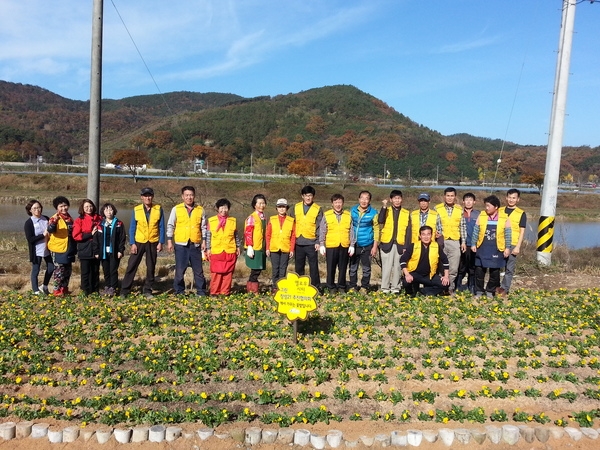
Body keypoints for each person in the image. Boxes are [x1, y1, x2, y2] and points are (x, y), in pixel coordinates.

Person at [121, 187, 165, 298]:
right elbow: (132, 227)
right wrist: (132, 243)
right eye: (145, 196)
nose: (147, 198)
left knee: (151, 267)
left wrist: (161, 242)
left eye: (149, 195)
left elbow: (162, 227)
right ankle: (125, 290)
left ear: (152, 196)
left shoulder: (158, 209)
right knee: (132, 265)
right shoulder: (136, 209)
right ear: (142, 197)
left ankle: (148, 290)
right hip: (139, 241)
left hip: (153, 241)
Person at [167, 186, 207, 296]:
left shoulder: (200, 210)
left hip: (195, 244)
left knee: (198, 271)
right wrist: (169, 240)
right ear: (182, 196)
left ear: (194, 196)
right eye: (187, 195)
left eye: (191, 195)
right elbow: (170, 225)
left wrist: (204, 241)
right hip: (181, 245)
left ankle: (201, 291)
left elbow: (204, 227)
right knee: (180, 270)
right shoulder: (176, 209)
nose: (189, 197)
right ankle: (179, 291)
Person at [471, 195, 512, 298]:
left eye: (489, 206)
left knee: (494, 272)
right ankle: (479, 291)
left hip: (497, 248)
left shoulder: (504, 218)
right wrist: (473, 244)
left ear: (496, 207)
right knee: (479, 271)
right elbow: (476, 231)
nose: (487, 208)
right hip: (482, 247)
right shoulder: (482, 216)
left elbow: (508, 234)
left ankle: (490, 290)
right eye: (486, 206)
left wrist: (507, 248)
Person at [318, 194, 355, 294]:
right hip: (331, 245)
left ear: (343, 203)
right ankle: (331, 287)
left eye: (340, 202)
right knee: (331, 267)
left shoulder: (348, 215)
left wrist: (352, 244)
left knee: (343, 268)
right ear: (332, 203)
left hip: (344, 245)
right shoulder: (327, 215)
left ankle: (342, 286)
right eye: (336, 202)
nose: (338, 204)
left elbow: (351, 231)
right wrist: (321, 244)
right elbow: (322, 230)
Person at [400, 225, 449, 296]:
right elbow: (402, 260)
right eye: (423, 234)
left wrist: (446, 276)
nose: (426, 237)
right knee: (406, 282)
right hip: (414, 274)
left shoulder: (436, 246)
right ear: (420, 236)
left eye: (428, 234)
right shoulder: (413, 246)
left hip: (429, 275)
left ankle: (423, 292)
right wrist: (407, 274)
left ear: (431, 235)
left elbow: (445, 261)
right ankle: (410, 293)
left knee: (446, 284)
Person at [206, 198, 241, 296]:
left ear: (228, 209)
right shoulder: (211, 221)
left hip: (229, 250)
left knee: (228, 273)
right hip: (216, 250)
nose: (223, 210)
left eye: (225, 208)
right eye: (221, 208)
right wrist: (208, 249)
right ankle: (214, 292)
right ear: (217, 208)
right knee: (216, 273)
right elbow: (208, 237)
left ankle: (225, 292)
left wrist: (238, 247)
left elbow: (236, 236)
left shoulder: (233, 221)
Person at [378, 190, 411, 294]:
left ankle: (395, 288)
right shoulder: (386, 210)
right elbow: (380, 220)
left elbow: (408, 231)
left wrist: (407, 245)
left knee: (397, 267)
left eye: (399, 198)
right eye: (395, 198)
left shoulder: (406, 213)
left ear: (402, 199)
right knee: (386, 268)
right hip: (387, 243)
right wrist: (383, 207)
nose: (397, 200)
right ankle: (385, 288)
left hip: (400, 244)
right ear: (391, 200)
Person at [289, 186, 322, 288]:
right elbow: (291, 224)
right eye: (306, 196)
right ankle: (299, 287)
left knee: (313, 266)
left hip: (311, 242)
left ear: (313, 197)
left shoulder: (318, 209)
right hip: (298, 242)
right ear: (302, 196)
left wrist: (318, 241)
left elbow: (320, 226)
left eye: (310, 196)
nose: (308, 198)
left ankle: (315, 286)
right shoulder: (295, 207)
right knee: (299, 266)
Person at [435, 187, 465, 292]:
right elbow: (434, 224)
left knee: (453, 267)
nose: (450, 198)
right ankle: (440, 287)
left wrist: (463, 242)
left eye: (452, 196)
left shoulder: (459, 210)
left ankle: (449, 287)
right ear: (444, 196)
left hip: (454, 241)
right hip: (441, 241)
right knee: (440, 266)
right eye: (448, 195)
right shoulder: (437, 208)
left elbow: (462, 226)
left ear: (455, 197)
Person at [349, 190, 380, 292]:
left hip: (367, 244)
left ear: (369, 200)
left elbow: (376, 230)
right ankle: (352, 286)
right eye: (362, 198)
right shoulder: (352, 210)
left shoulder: (374, 213)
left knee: (366, 268)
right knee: (353, 267)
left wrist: (375, 246)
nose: (364, 201)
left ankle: (364, 286)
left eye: (366, 198)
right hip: (354, 244)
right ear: (359, 199)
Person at [498, 188, 527, 296]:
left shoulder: (521, 213)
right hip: (500, 242)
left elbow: (522, 231)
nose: (511, 200)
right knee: (496, 266)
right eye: (509, 197)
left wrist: (518, 246)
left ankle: (504, 289)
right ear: (506, 198)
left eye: (513, 198)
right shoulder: (499, 210)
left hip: (513, 243)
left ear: (518, 199)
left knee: (509, 268)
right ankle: (496, 286)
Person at [93, 203, 126, 296]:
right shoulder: (100, 224)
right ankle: (107, 286)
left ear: (114, 211)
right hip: (103, 252)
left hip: (114, 252)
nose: (109, 212)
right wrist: (96, 251)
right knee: (106, 270)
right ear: (103, 212)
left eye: (111, 210)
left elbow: (122, 238)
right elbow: (96, 240)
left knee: (113, 270)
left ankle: (113, 288)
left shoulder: (119, 224)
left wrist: (120, 250)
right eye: (106, 210)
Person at [47, 196, 76, 296]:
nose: (64, 208)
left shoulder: (70, 218)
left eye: (65, 205)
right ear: (57, 208)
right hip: (58, 248)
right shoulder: (54, 218)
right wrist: (54, 222)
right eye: (61, 206)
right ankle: (56, 290)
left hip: (69, 247)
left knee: (68, 269)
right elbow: (50, 230)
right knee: (59, 270)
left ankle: (64, 288)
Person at [24, 199, 54, 295]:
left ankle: (44, 286)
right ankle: (35, 290)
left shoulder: (45, 218)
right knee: (36, 270)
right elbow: (30, 239)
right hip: (36, 250)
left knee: (51, 267)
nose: (37, 210)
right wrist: (43, 235)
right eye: (34, 208)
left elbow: (51, 229)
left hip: (47, 248)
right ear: (30, 210)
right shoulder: (29, 223)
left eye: (39, 207)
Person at [266, 198, 295, 292]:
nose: (282, 209)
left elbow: (293, 236)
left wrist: (291, 249)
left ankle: (281, 287)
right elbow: (268, 234)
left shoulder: (291, 220)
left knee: (283, 268)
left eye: (284, 207)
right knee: (275, 269)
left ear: (287, 208)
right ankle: (274, 287)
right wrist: (267, 248)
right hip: (274, 248)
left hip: (285, 248)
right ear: (276, 208)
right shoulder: (272, 219)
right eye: (280, 207)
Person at [73, 199, 102, 295]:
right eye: (86, 207)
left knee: (95, 270)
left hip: (96, 248)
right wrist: (90, 234)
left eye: (90, 206)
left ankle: (95, 290)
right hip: (85, 248)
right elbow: (76, 236)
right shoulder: (79, 220)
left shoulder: (99, 218)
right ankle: (85, 291)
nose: (89, 208)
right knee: (85, 272)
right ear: (82, 208)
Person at [244, 194, 267, 293]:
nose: (262, 205)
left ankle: (253, 288)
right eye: (259, 203)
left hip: (261, 246)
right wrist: (249, 246)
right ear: (255, 205)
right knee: (255, 270)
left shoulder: (263, 217)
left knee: (258, 269)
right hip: (254, 247)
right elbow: (248, 232)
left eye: (263, 203)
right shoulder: (252, 217)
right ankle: (252, 289)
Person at [457, 193, 480, 293]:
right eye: (466, 200)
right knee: (461, 266)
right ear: (463, 202)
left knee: (472, 267)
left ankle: (471, 286)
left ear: (474, 202)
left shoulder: (478, 214)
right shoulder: (459, 213)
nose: (468, 202)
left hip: (473, 245)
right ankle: (457, 286)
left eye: (471, 200)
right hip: (461, 244)